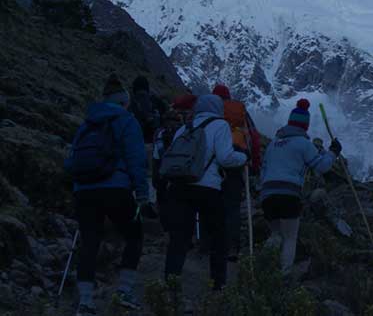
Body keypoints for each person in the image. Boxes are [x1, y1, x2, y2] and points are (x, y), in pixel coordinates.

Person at [64, 74, 148, 315]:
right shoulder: (127, 120)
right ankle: (124, 291)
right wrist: (142, 193)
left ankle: (86, 302)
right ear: (124, 101)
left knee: (89, 241)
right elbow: (136, 160)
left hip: (85, 190)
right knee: (134, 234)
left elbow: (71, 161)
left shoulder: (87, 124)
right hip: (116, 188)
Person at [162, 94, 246, 290]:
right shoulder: (220, 125)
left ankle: (170, 285)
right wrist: (243, 157)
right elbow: (225, 158)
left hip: (180, 186)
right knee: (219, 237)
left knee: (179, 239)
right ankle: (217, 285)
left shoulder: (185, 127)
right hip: (207, 188)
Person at [259, 99, 335, 272]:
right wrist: (333, 152)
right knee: (290, 238)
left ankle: (260, 268)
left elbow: (263, 170)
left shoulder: (273, 144)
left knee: (275, 234)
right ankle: (283, 276)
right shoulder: (303, 143)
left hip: (267, 195)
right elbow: (322, 166)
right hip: (289, 194)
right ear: (305, 126)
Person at [211, 84, 259, 260]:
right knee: (232, 207)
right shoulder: (240, 113)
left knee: (213, 204)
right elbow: (253, 137)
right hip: (237, 162)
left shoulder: (211, 113)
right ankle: (233, 247)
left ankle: (212, 244)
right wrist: (254, 164)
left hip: (213, 163)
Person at [151, 94, 196, 230]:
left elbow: (156, 156)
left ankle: (166, 229)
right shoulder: (184, 131)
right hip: (181, 173)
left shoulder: (160, 133)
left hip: (163, 172)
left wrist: (156, 178)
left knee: (164, 202)